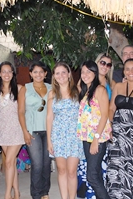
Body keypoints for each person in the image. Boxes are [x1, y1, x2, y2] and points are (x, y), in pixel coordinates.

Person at [107, 58, 133, 199]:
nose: (130, 72)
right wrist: (109, 126)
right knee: (116, 167)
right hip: (118, 133)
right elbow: (111, 108)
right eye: (127, 69)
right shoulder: (118, 86)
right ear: (123, 71)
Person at [77, 52, 114, 199]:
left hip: (97, 138)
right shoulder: (86, 91)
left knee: (91, 176)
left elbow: (104, 115)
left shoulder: (100, 90)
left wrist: (96, 139)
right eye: (83, 72)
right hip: (86, 138)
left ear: (95, 73)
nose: (85, 75)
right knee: (96, 174)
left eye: (89, 72)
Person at [47, 62, 84, 199]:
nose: (61, 75)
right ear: (54, 76)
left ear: (69, 74)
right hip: (58, 135)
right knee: (61, 170)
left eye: (63, 72)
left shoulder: (78, 91)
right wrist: (49, 141)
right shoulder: (52, 93)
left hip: (75, 135)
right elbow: (49, 117)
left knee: (72, 171)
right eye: (57, 73)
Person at [18, 61, 52, 199]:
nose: (38, 74)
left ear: (45, 73)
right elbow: (21, 112)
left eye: (41, 72)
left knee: (46, 164)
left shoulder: (51, 88)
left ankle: (45, 192)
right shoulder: (25, 89)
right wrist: (25, 131)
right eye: (35, 72)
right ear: (31, 74)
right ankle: (36, 194)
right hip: (32, 131)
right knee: (37, 164)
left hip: (49, 130)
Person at [0, 61, 24, 199]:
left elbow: (22, 111)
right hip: (2, 129)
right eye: (4, 71)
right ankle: (16, 192)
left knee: (8, 162)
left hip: (16, 128)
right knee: (11, 163)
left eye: (9, 71)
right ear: (0, 74)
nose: (7, 74)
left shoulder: (20, 89)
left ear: (13, 73)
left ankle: (7, 194)